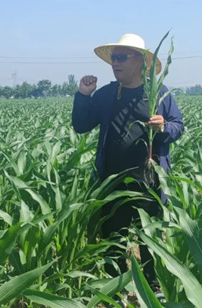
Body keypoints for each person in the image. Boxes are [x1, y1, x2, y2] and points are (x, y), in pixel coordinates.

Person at [71, 33, 184, 290]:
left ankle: (154, 287)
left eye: (122, 57)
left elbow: (178, 126)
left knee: (149, 236)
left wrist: (164, 127)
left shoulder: (158, 93)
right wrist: (83, 96)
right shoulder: (106, 95)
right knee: (113, 237)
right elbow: (81, 125)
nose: (115, 63)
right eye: (114, 57)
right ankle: (115, 287)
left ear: (140, 61)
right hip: (112, 181)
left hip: (149, 181)